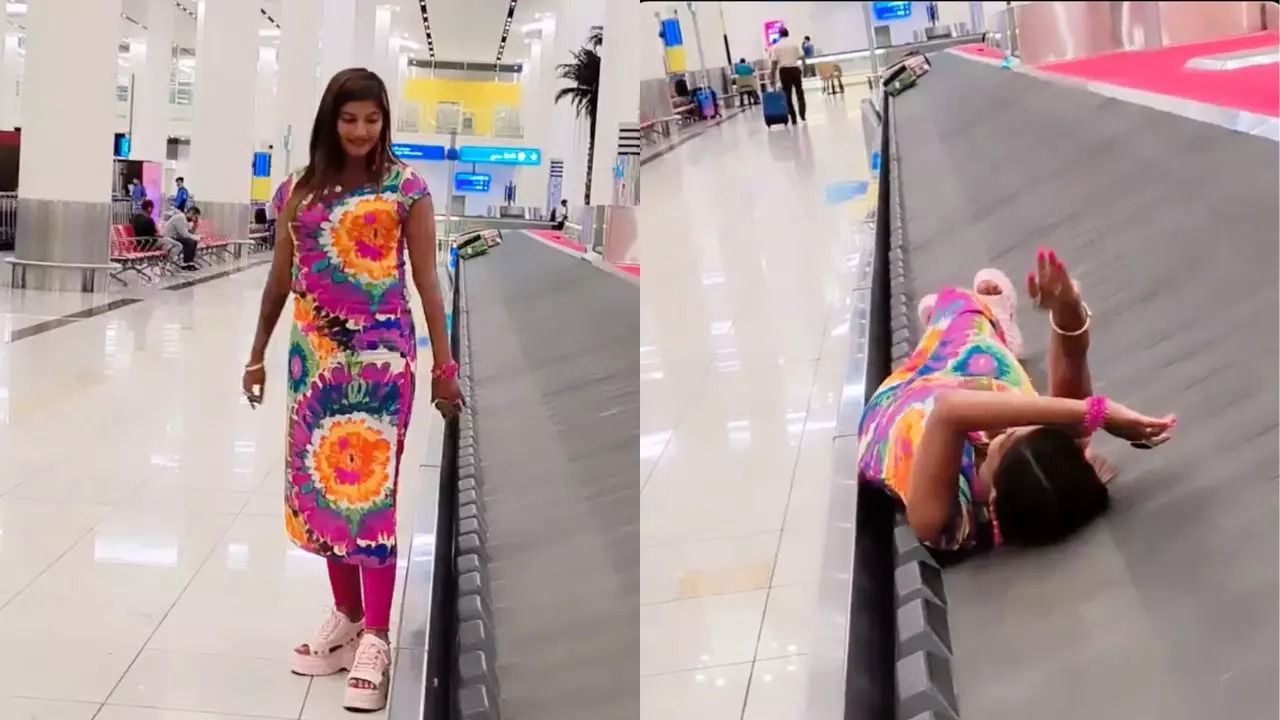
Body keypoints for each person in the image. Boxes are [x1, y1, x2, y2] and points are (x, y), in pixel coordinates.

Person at [240, 67, 462, 712]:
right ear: (329, 121)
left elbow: (427, 282)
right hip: (313, 363)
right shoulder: (298, 192)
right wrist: (256, 353)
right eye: (349, 119)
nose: (362, 131)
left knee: (370, 498)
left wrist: (444, 368)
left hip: (382, 363)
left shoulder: (406, 189)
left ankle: (377, 636)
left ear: (384, 119)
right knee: (324, 491)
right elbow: (280, 280)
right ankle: (344, 616)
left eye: (372, 118)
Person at [858, 252, 1176, 562]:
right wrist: (1067, 312)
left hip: (900, 405)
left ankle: (980, 325)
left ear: (994, 502)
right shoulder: (1045, 462)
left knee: (960, 308)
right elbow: (1065, 395)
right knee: (959, 307)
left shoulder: (941, 520)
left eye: (1009, 438)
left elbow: (949, 411)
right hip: (961, 381)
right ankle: (984, 328)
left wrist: (1099, 412)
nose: (1013, 428)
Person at [770, 27, 807, 124]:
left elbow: (774, 63)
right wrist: (803, 69)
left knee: (787, 95)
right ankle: (802, 115)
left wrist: (772, 77)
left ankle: (793, 117)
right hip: (795, 69)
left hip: (784, 72)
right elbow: (802, 57)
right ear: (788, 34)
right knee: (799, 92)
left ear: (779, 35)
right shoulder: (794, 44)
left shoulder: (776, 46)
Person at [161, 204, 201, 271]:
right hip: (169, 238)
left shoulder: (185, 219)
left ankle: (190, 263)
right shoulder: (180, 217)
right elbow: (184, 234)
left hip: (176, 237)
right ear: (191, 213)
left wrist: (195, 226)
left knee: (193, 242)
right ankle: (185, 264)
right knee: (190, 242)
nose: (194, 219)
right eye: (195, 217)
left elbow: (189, 233)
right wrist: (196, 237)